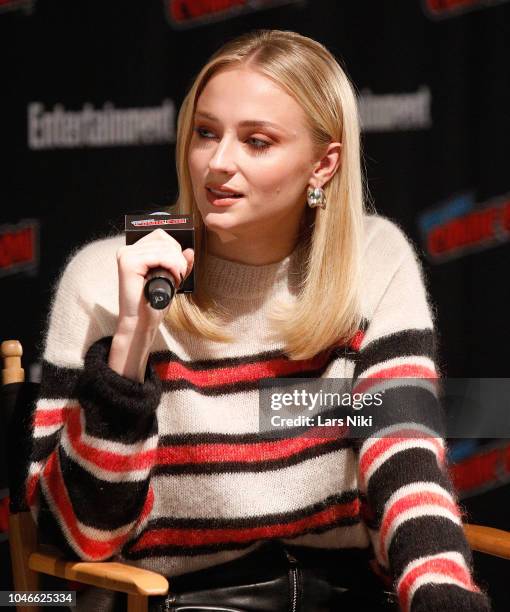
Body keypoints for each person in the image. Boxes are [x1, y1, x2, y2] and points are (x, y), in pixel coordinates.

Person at [27, 29, 491, 612]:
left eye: (257, 142)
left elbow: (404, 453)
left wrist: (440, 591)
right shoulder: (108, 273)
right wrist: (132, 341)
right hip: (185, 602)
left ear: (323, 164)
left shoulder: (374, 257)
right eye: (205, 133)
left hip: (349, 595)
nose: (218, 164)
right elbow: (81, 536)